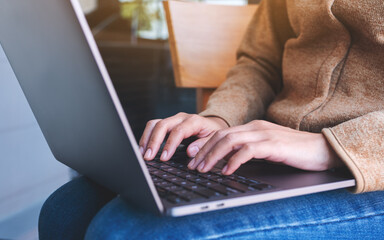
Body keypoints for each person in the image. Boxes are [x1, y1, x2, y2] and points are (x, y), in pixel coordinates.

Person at [39, 0, 384, 239]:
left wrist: (333, 147)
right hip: (273, 157)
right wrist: (222, 116)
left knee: (128, 232)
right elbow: (260, 61)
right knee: (64, 211)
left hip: (369, 173)